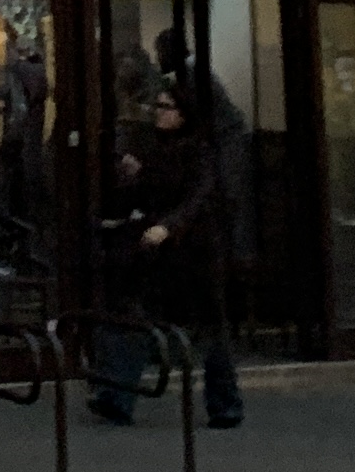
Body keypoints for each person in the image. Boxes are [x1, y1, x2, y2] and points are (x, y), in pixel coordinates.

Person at [86, 88, 242, 428]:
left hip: (196, 252)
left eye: (166, 106)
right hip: (164, 252)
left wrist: (167, 226)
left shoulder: (201, 152)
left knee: (210, 327)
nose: (158, 111)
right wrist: (131, 179)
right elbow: (146, 195)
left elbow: (198, 197)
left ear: (183, 114)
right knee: (136, 316)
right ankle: (116, 397)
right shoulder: (158, 150)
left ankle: (225, 404)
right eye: (157, 105)